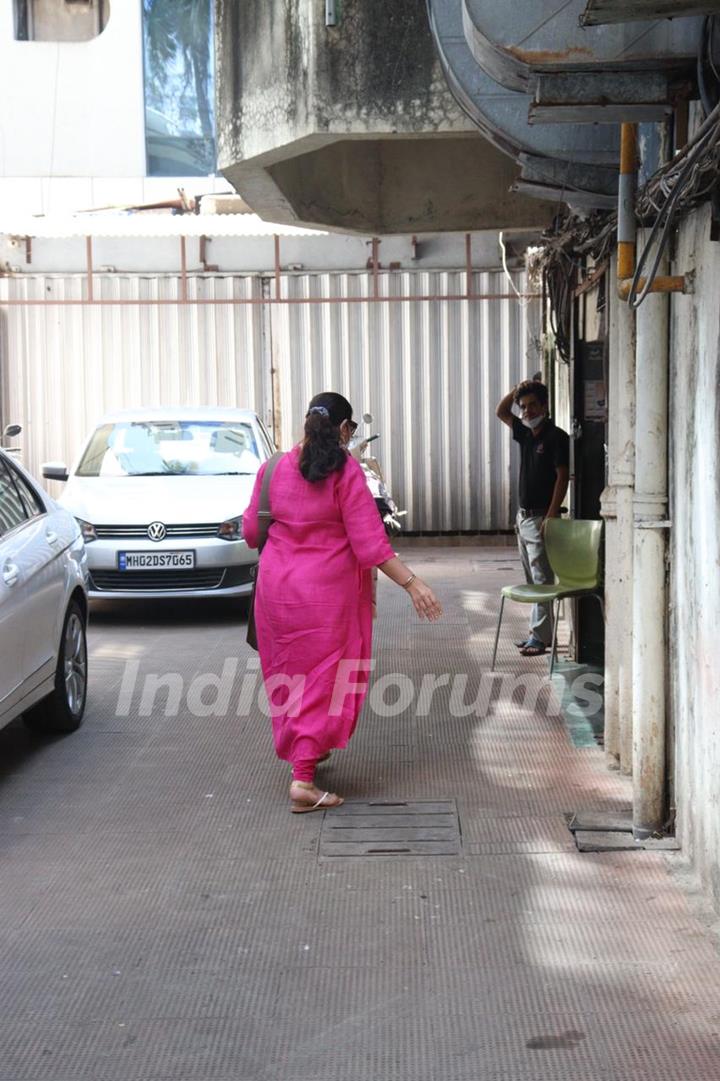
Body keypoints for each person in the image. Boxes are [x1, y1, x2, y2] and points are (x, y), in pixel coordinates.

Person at [242, 392, 442, 813]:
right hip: (327, 597)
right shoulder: (345, 471)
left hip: (277, 594)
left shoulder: (273, 467)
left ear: (304, 422)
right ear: (346, 430)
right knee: (324, 681)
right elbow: (370, 544)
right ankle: (303, 780)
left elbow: (250, 532)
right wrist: (413, 584)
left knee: (290, 677)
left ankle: (307, 752)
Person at [495, 379, 569, 656]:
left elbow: (562, 477)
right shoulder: (526, 435)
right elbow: (501, 411)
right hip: (523, 518)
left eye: (532, 405)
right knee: (531, 578)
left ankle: (540, 638)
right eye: (523, 407)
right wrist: (517, 390)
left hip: (541, 518)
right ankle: (536, 634)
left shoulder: (556, 437)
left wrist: (551, 515)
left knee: (541, 579)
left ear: (545, 406)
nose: (526, 411)